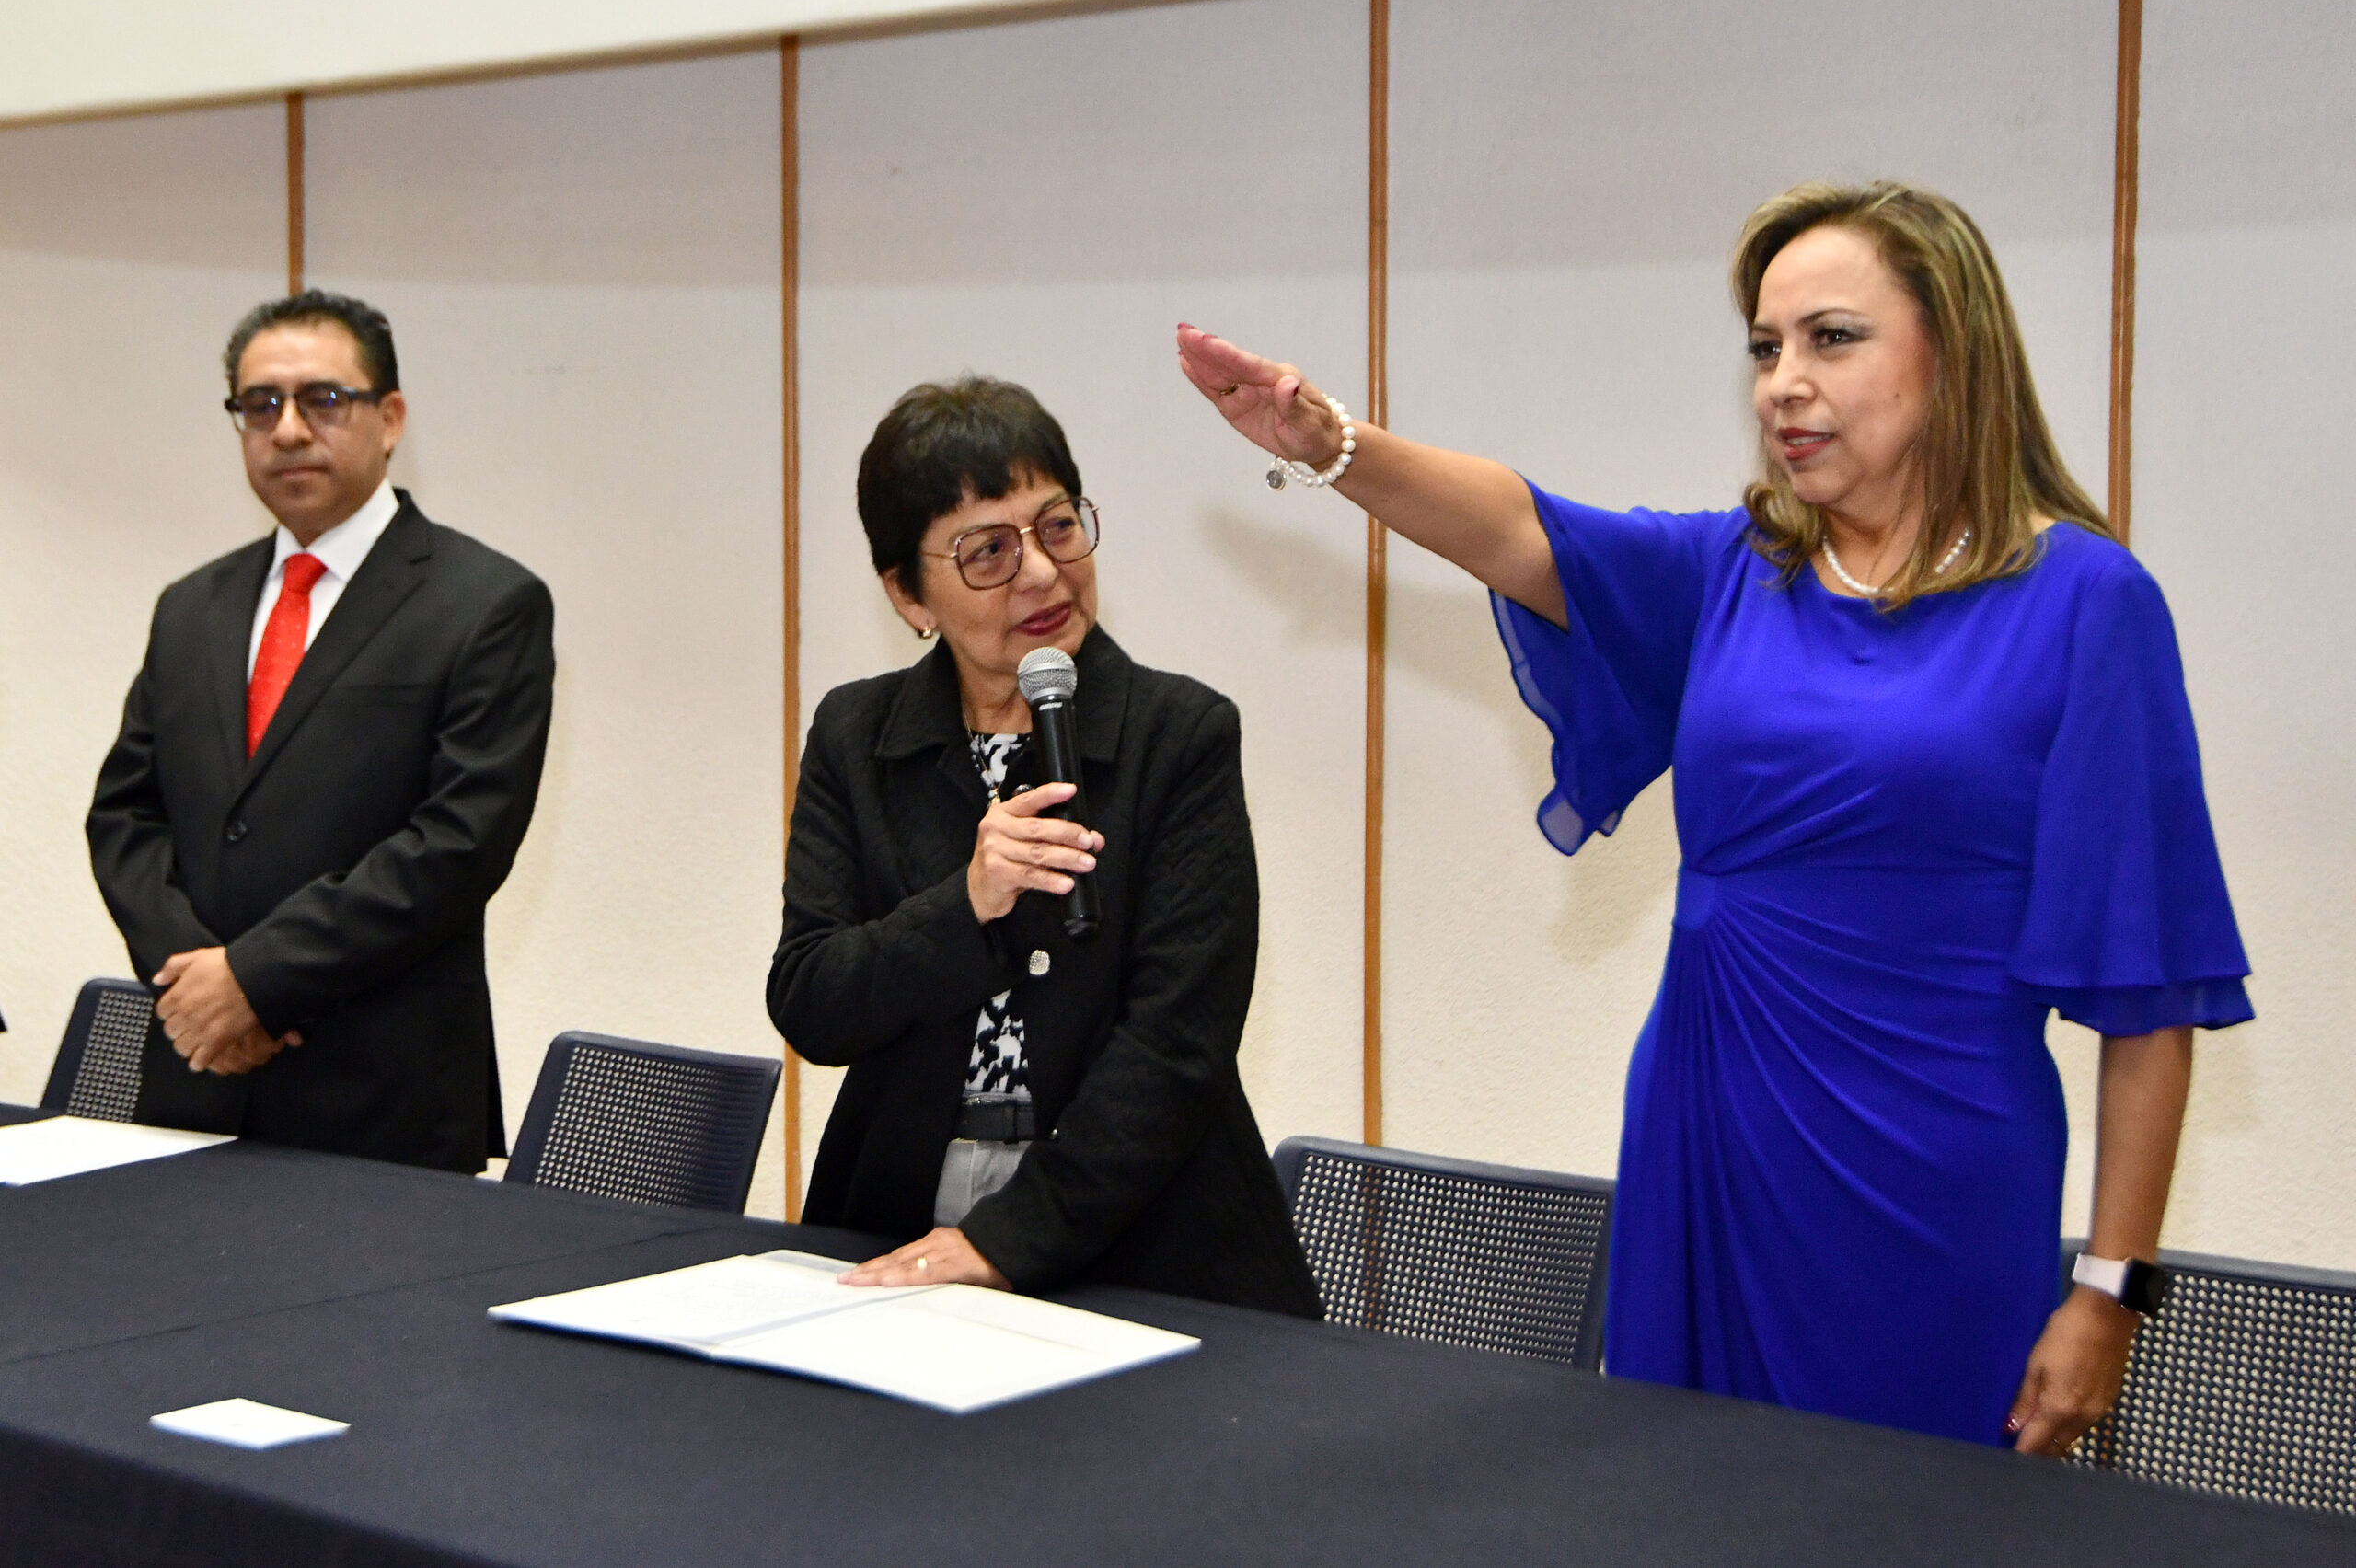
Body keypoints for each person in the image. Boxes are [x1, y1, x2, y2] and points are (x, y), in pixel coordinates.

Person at [1175, 181, 2250, 1451]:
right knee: (1680, 1500)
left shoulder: (2086, 601)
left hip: (1931, 1168)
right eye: (1764, 346)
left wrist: (2109, 1288)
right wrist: (1324, 440)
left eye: (1831, 338)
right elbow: (1523, 527)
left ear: (1952, 353)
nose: (1783, 381)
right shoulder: (1735, 574)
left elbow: (2154, 991)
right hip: (1706, 1123)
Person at [768, 376, 1321, 1316]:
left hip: (1148, 1239)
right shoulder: (855, 736)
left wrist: (1005, 1239)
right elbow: (813, 1001)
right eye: (987, 551)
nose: (1040, 573)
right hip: (899, 1217)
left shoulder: (1178, 735)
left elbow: (1176, 1044)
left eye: (1057, 527)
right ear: (908, 593)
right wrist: (967, 903)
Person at [87, 290, 556, 1173]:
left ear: (390, 418)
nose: (289, 429)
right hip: (194, 1081)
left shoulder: (486, 602)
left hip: (383, 1097)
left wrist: (255, 981)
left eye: (323, 399)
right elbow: (125, 818)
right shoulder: (191, 607)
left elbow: (458, 844)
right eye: (260, 404)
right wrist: (199, 984)